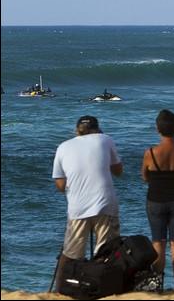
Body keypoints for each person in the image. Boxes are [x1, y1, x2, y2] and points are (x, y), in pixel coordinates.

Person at [52, 116, 123, 293]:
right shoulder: (106, 139)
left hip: (77, 207)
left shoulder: (63, 146)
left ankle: (60, 289)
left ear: (77, 130)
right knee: (106, 252)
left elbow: (60, 185)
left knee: (70, 253)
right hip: (105, 204)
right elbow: (118, 171)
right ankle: (103, 287)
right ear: (98, 129)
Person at [141, 109, 174, 291]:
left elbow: (145, 176)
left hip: (156, 200)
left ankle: (157, 286)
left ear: (158, 129)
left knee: (158, 242)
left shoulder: (151, 153)